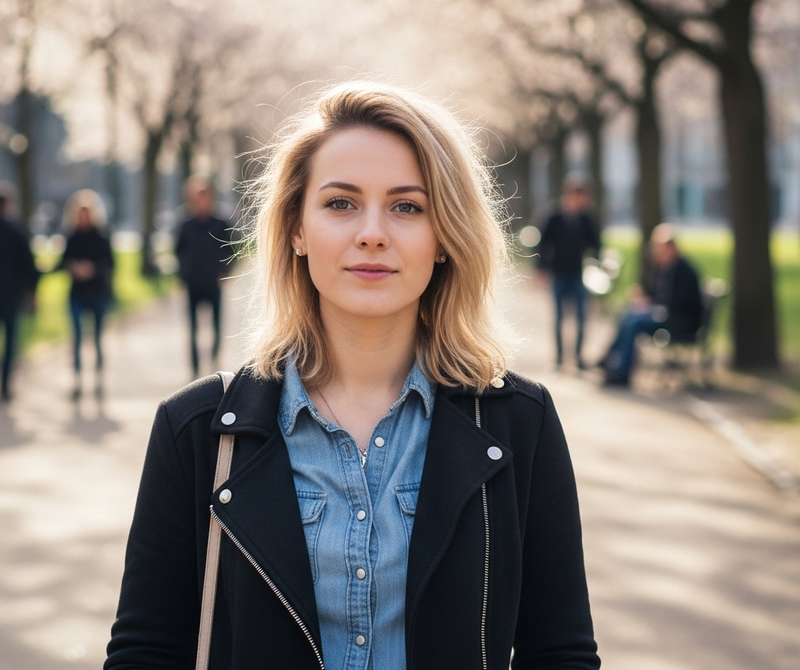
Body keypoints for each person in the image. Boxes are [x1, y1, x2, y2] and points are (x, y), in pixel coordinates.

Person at [105, 82, 600, 669]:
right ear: (296, 230)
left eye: (407, 206)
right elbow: (147, 651)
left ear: (444, 237)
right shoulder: (197, 432)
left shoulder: (519, 423)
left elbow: (560, 650)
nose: (372, 232)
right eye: (340, 203)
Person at [599, 223, 703, 387]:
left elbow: (680, 303)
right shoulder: (663, 268)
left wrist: (652, 304)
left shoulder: (685, 271)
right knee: (628, 315)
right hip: (664, 315)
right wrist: (643, 297)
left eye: (659, 248)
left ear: (671, 247)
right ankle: (611, 361)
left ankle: (621, 373)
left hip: (678, 322)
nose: (656, 252)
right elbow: (654, 292)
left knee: (634, 322)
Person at [536, 173, 601, 370]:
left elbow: (596, 243)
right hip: (558, 273)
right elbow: (542, 243)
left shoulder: (586, 218)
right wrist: (542, 268)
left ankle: (578, 357)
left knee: (581, 316)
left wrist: (597, 263)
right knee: (559, 317)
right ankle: (558, 358)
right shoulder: (554, 216)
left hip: (578, 273)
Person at [174, 176, 235, 377]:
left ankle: (214, 362)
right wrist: (182, 275)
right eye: (196, 196)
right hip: (193, 283)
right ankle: (195, 371)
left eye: (204, 195)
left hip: (213, 282)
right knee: (192, 330)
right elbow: (178, 251)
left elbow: (232, 251)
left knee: (217, 327)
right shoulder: (185, 224)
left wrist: (225, 272)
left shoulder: (221, 223)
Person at [58, 189, 115, 400]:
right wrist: (74, 268)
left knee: (98, 339)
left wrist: (93, 269)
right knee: (77, 339)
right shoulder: (71, 237)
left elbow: (110, 263)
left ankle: (99, 380)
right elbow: (63, 262)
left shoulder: (101, 235)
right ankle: (77, 381)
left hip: (98, 293)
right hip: (77, 295)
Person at [0, 182, 39, 402]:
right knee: (10, 343)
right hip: (11, 297)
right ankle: (5, 387)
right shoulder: (17, 231)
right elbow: (29, 266)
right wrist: (32, 293)